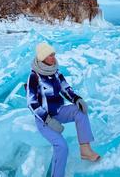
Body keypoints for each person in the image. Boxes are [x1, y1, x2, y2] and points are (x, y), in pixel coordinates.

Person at [26, 42, 100, 177]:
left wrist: (76, 99)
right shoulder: (34, 76)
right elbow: (31, 103)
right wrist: (47, 119)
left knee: (79, 111)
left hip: (58, 111)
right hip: (43, 119)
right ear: (42, 57)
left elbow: (65, 88)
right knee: (62, 146)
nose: (53, 58)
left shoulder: (56, 72)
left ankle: (85, 150)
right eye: (50, 55)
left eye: (54, 54)